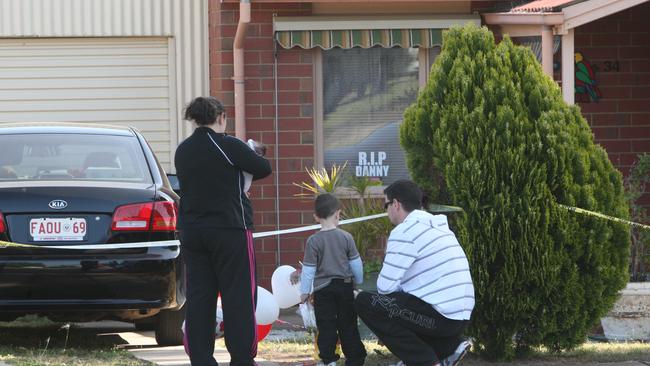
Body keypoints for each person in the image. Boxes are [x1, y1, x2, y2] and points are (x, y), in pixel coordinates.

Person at [174, 96, 272, 366]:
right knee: (238, 296)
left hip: (192, 231)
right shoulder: (229, 145)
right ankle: (241, 358)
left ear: (194, 119)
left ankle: (201, 359)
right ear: (221, 118)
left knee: (199, 297)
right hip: (231, 229)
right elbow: (263, 168)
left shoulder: (183, 150)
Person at [354, 180, 474, 366]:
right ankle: (450, 347)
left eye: (386, 205)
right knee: (398, 308)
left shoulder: (404, 231)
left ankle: (423, 361)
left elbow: (384, 288)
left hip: (439, 318)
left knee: (366, 302)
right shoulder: (439, 227)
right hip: (460, 317)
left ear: (396, 204)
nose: (386, 211)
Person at [295, 193, 367, 366]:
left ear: (316, 217)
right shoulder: (346, 237)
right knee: (348, 323)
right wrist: (358, 282)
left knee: (326, 325)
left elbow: (309, 271)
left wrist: (304, 292)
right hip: (345, 287)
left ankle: (329, 360)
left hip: (323, 290)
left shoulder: (314, 240)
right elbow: (356, 264)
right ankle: (355, 357)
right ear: (338, 214)